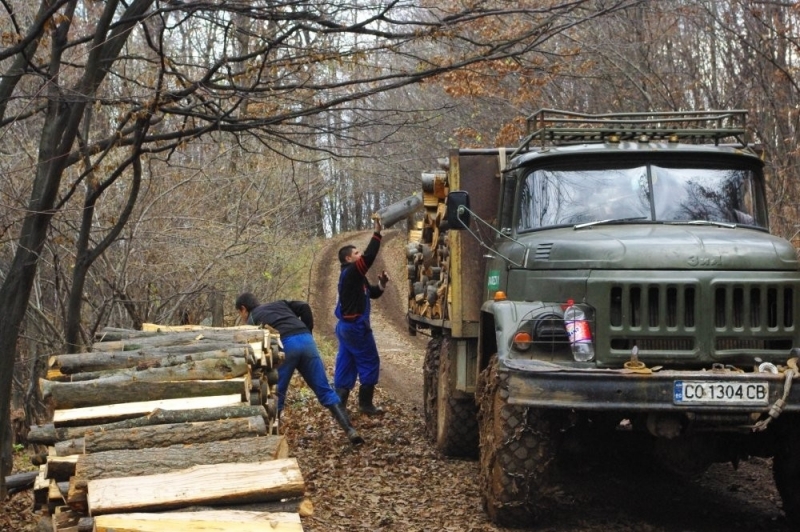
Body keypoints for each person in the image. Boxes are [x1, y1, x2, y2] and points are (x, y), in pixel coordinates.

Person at [234, 293, 364, 445]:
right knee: (325, 390)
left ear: (243, 309)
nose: (241, 317)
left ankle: (270, 438)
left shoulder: (252, 319)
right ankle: (350, 430)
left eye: (239, 313)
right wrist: (308, 331)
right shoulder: (280, 303)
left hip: (287, 345)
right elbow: (304, 306)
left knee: (278, 393)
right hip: (307, 341)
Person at [333, 218, 390, 416]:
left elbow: (372, 293)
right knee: (369, 361)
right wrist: (377, 233)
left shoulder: (356, 277)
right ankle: (365, 404)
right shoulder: (350, 272)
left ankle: (339, 405)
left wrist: (382, 284)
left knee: (346, 362)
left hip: (346, 328)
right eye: (356, 253)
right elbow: (370, 256)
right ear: (349, 259)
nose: (360, 255)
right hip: (355, 327)